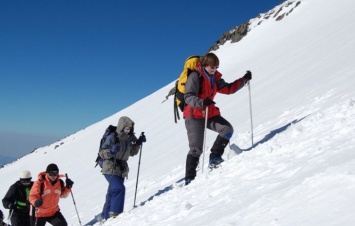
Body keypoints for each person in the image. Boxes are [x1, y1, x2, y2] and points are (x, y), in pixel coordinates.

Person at [183, 52, 252, 185]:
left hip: (209, 112)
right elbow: (188, 96)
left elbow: (228, 89)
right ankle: (189, 178)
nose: (214, 69)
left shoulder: (215, 77)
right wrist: (202, 102)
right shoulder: (195, 76)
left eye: (216, 67)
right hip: (194, 115)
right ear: (204, 65)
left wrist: (243, 80)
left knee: (227, 129)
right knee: (196, 148)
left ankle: (215, 157)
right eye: (211, 67)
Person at [99, 116, 146, 220]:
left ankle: (104, 217)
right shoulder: (113, 137)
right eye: (125, 129)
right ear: (121, 127)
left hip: (121, 169)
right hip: (110, 167)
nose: (127, 131)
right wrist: (111, 151)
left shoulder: (128, 139)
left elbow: (132, 153)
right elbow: (102, 153)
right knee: (119, 188)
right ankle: (116, 215)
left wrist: (138, 143)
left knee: (112, 192)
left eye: (129, 129)